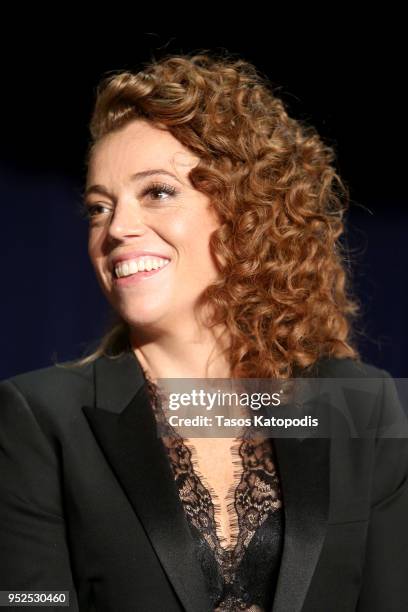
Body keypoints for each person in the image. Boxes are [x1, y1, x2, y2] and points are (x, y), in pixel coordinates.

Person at [0, 50, 407, 612]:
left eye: (157, 192)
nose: (117, 228)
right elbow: (26, 600)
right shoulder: (39, 416)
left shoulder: (364, 407)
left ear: (246, 211)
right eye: (98, 207)